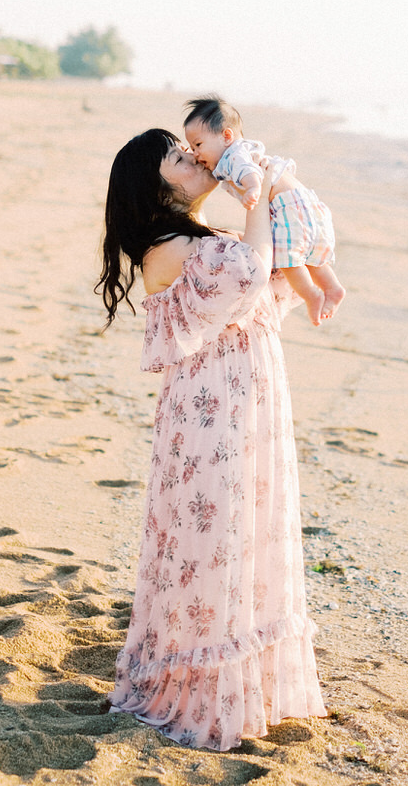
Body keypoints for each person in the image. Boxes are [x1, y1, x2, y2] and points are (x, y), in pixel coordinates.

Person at [95, 129, 326, 751]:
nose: (194, 158)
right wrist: (251, 197)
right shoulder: (164, 249)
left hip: (248, 397)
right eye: (177, 157)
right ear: (157, 184)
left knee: (250, 525)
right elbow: (249, 276)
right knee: (214, 534)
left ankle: (244, 676)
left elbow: (277, 269)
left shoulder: (204, 237)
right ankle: (200, 681)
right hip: (211, 407)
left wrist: (273, 191)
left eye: (188, 149)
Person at [183, 96, 345, 326]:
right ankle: (333, 287)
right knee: (307, 256)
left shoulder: (233, 156)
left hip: (286, 204)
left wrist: (253, 188)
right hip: (302, 201)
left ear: (227, 136)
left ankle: (312, 294)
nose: (196, 154)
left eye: (198, 145)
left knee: (289, 260)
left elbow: (249, 171)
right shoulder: (242, 150)